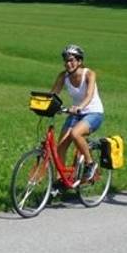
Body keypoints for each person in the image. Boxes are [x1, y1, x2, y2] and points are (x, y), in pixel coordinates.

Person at [50, 44, 104, 183]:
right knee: (60, 146)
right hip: (76, 114)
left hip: (93, 113)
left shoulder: (89, 74)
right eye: (66, 60)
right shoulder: (63, 76)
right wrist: (44, 104)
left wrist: (80, 107)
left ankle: (90, 164)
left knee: (75, 133)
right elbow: (53, 94)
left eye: (72, 60)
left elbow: (89, 95)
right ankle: (60, 181)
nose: (69, 64)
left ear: (80, 61)